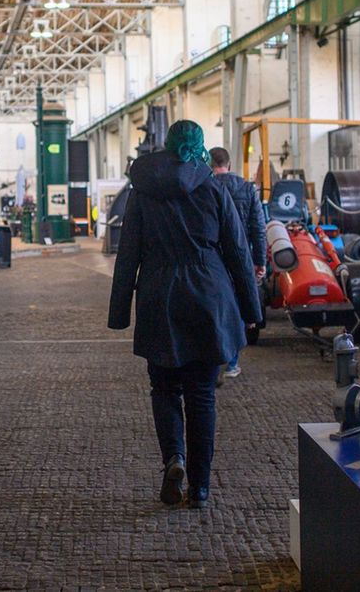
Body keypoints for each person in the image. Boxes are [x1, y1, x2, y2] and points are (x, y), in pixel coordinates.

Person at [108, 120, 261, 509]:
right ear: (201, 147)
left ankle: (173, 458)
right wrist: (251, 308)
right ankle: (202, 486)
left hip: (160, 298)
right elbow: (238, 253)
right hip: (209, 299)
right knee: (201, 396)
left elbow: (128, 257)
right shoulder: (213, 188)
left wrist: (119, 312)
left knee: (164, 389)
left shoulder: (142, 192)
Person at [209, 146, 267, 379]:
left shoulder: (205, 188)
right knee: (239, 304)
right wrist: (260, 260)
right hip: (241, 257)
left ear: (209, 165)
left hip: (213, 258)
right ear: (230, 165)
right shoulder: (247, 188)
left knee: (215, 306)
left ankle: (216, 357)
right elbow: (258, 228)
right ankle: (232, 361)